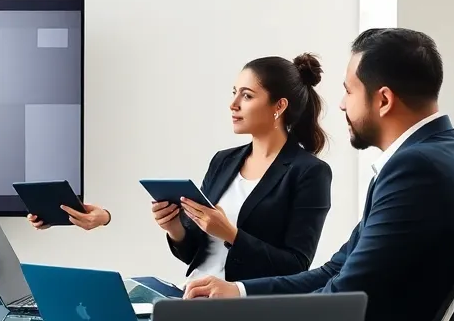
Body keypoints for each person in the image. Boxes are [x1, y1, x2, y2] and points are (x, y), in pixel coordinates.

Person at [183, 29, 454, 321]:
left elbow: (343, 295)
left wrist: (243, 320)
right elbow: (336, 271)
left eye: (349, 91)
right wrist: (238, 293)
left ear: (382, 99)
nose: (340, 104)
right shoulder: (440, 155)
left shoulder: (417, 170)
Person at [28, 54, 333, 285]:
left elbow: (296, 266)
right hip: (194, 294)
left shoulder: (309, 172)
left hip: (248, 308)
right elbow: (195, 251)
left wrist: (231, 234)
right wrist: (174, 228)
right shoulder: (224, 161)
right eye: (234, 92)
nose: (233, 104)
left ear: (278, 106)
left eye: (247, 95)